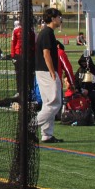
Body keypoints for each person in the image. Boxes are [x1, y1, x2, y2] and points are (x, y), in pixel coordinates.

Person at [34, 8, 64, 144]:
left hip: (43, 71)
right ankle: (31, 126)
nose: (60, 19)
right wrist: (52, 72)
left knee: (48, 103)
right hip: (46, 72)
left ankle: (47, 134)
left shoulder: (47, 32)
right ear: (52, 18)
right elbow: (46, 54)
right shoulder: (47, 33)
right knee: (55, 103)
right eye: (58, 17)